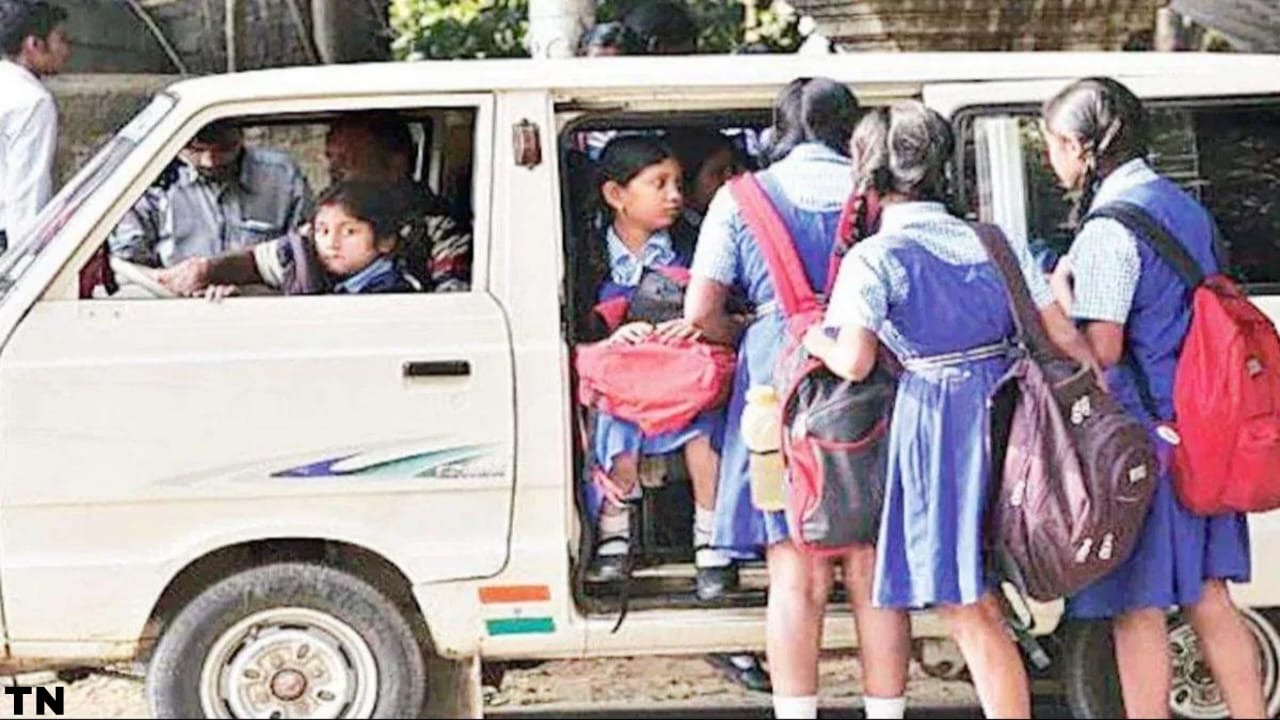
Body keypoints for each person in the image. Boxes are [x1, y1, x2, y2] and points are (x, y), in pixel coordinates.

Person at [803, 101, 1101, 719]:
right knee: (983, 598)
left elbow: (854, 361)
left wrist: (813, 338)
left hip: (938, 424)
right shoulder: (996, 241)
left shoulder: (874, 257)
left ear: (869, 172)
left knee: (967, 603)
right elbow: (1063, 337)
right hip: (1013, 417)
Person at [684, 78, 910, 720]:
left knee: (794, 572)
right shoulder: (877, 195)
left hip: (772, 399)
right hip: (872, 385)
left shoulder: (738, 199)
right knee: (871, 568)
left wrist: (753, 331)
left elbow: (700, 312)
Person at [1043, 77, 1265, 719]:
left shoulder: (1108, 230)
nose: (1053, 159)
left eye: (1053, 144)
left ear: (1080, 146)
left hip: (1144, 442)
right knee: (1209, 595)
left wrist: (1056, 300)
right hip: (1201, 428)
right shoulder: (1183, 208)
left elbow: (1103, 350)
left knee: (1136, 607)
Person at [579, 135, 737, 600]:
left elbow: (729, 303)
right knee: (613, 420)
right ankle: (614, 536)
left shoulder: (697, 243)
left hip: (686, 379)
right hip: (621, 379)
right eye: (659, 184)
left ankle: (711, 541)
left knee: (706, 429)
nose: (674, 196)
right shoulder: (584, 252)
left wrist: (697, 324)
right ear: (616, 195)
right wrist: (610, 337)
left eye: (678, 184)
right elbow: (574, 323)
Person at [666, 126, 771, 694]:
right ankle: (716, 552)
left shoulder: (740, 220)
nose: (734, 181)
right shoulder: (687, 237)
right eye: (718, 173)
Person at [160, 112, 473, 296]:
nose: (334, 170)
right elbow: (268, 259)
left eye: (347, 160)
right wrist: (204, 271)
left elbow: (455, 308)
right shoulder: (329, 221)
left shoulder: (440, 229)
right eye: (331, 158)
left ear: (394, 165)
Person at [108, 121, 313, 269]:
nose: (210, 161)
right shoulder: (153, 182)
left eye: (223, 150)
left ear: (240, 138)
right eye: (196, 151)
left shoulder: (281, 177)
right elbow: (127, 258)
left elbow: (304, 252)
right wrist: (170, 279)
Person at [188, 180, 419, 299]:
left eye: (349, 232)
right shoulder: (321, 273)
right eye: (322, 231)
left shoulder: (393, 290)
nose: (332, 243)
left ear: (386, 241)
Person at [0, 0, 71, 252]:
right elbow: (27, 196)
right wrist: (27, 261)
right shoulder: (32, 101)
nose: (67, 51)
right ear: (33, 44)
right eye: (61, 40)